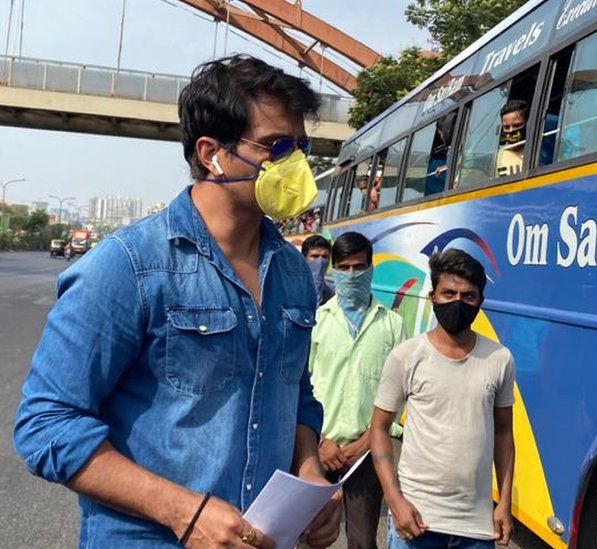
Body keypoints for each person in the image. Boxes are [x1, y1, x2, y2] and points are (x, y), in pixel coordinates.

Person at [13, 54, 341, 548]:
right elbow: (46, 424)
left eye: (301, 146)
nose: (295, 164)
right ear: (211, 153)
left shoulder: (294, 272)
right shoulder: (129, 264)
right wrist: (183, 512)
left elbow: (295, 392)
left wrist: (309, 470)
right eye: (277, 147)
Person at [371, 248, 516, 549]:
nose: (458, 302)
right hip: (416, 522)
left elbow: (503, 433)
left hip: (477, 529)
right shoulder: (406, 357)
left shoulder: (500, 359)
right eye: (448, 293)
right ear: (432, 297)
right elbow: (379, 429)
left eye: (468, 296)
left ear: (480, 302)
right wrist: (394, 499)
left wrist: (504, 504)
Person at [309, 231, 405, 549]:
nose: (352, 274)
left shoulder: (391, 325)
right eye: (345, 267)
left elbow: (400, 395)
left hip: (368, 451)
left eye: (359, 267)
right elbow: (300, 385)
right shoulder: (317, 321)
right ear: (335, 270)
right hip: (318, 448)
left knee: (363, 540)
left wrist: (368, 440)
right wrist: (320, 442)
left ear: (371, 268)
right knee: (310, 535)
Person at [496, 99, 528, 178]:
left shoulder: (540, 150)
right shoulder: (496, 158)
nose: (511, 130)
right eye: (506, 127)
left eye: (516, 126)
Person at [302, 234, 334, 305]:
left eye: (324, 257)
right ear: (304, 259)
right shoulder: (291, 287)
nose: (320, 261)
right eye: (315, 256)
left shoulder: (332, 289)